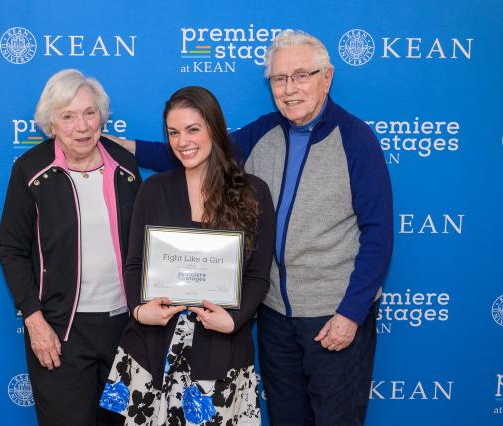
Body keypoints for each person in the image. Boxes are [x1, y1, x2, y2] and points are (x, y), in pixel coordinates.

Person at [108, 30, 393, 426]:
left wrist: (351, 312)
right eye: (279, 79)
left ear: (326, 77)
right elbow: (195, 149)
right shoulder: (264, 132)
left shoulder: (357, 140)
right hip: (275, 316)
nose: (289, 89)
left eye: (301, 76)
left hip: (332, 315)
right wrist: (112, 144)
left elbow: (379, 233)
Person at [99, 86, 275, 425]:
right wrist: (139, 308)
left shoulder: (253, 193)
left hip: (221, 351)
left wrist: (234, 320)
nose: (183, 142)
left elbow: (257, 275)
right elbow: (135, 262)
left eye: (193, 129)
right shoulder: (154, 190)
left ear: (215, 129)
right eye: (174, 133)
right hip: (152, 349)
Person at [0, 69, 141, 425]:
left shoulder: (125, 167)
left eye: (90, 113)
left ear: (102, 117)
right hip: (60, 331)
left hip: (124, 328)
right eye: (68, 116)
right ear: (51, 123)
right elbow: (11, 247)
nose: (82, 126)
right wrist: (34, 321)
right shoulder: (31, 171)